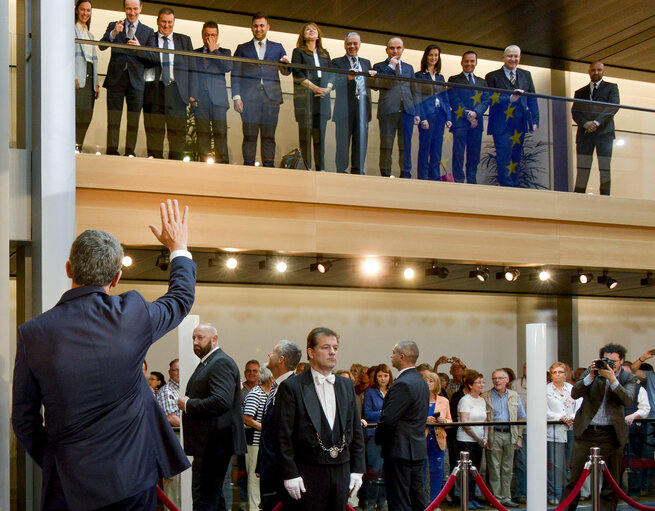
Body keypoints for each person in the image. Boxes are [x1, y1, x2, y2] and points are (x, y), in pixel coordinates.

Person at [12, 199, 195, 510]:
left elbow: (24, 420)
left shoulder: (33, 333)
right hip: (133, 480)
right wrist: (178, 247)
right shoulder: (134, 314)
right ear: (116, 278)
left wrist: (58, 461)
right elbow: (180, 298)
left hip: (67, 486)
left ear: (69, 269)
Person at [274, 327, 365, 511]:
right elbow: (282, 435)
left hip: (342, 470)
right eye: (326, 347)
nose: (332, 352)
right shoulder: (292, 387)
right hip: (307, 472)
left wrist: (358, 469)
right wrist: (290, 473)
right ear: (311, 352)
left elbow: (355, 429)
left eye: (335, 347)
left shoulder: (346, 384)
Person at [178, 323, 247, 511]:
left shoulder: (220, 362)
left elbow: (220, 401)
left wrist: (188, 404)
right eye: (194, 338)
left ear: (215, 339)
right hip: (210, 444)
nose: (195, 342)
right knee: (214, 500)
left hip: (213, 444)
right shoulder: (210, 362)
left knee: (204, 500)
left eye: (200, 338)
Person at [562, 343, 638, 511]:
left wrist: (613, 380)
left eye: (614, 361)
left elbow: (627, 400)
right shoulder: (592, 373)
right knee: (574, 479)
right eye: (606, 360)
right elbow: (575, 393)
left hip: (612, 434)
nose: (610, 364)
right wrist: (590, 376)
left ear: (621, 361)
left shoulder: (627, 378)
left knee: (611, 483)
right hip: (587, 433)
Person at [375, 341, 429, 511]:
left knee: (399, 499)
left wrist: (379, 438)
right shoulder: (420, 380)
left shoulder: (403, 383)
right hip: (416, 448)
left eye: (393, 352)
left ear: (402, 356)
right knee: (416, 497)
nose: (391, 356)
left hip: (400, 450)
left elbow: (389, 419)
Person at [232, 12, 291, 167]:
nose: (258, 29)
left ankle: (268, 170)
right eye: (255, 26)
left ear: (267, 27)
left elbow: (286, 71)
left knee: (269, 137)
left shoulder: (278, 48)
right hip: (248, 99)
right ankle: (249, 168)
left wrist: (287, 63)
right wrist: (236, 96)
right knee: (249, 136)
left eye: (261, 26)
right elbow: (235, 73)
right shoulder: (242, 48)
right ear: (251, 28)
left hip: (271, 98)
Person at [99, 0, 156, 156]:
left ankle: (130, 152)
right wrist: (114, 33)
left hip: (136, 81)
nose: (132, 12)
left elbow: (153, 56)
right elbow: (101, 45)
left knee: (133, 120)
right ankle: (111, 150)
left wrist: (139, 48)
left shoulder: (148, 31)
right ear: (124, 9)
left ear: (141, 9)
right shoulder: (114, 25)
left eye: (135, 9)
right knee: (113, 118)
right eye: (129, 9)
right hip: (116, 78)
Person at [485, 45, 539, 187]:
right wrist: (509, 98)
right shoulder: (492, 76)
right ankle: (506, 188)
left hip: (519, 124)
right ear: (503, 57)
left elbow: (532, 98)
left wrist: (534, 121)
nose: (513, 59)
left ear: (520, 58)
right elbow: (490, 98)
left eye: (516, 56)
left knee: (516, 158)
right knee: (503, 158)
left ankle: (514, 188)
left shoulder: (526, 75)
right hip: (501, 125)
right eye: (510, 56)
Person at [143, 7, 193, 160]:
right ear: (157, 22)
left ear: (174, 22)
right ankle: (153, 173)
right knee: (154, 135)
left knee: (177, 136)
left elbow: (192, 69)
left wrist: (192, 93)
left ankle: (175, 172)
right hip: (154, 90)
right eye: (163, 22)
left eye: (170, 22)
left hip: (177, 92)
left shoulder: (184, 40)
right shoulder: (148, 38)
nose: (166, 25)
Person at [258, 340, 303, 511]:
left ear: (281, 359)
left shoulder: (294, 387)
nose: (269, 355)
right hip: (269, 465)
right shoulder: (276, 385)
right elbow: (269, 429)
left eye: (273, 352)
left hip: (282, 469)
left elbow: (289, 432)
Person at [373, 37, 420, 178]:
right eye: (392, 48)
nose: (395, 51)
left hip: (407, 110)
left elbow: (414, 90)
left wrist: (416, 111)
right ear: (386, 50)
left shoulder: (409, 67)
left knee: (405, 146)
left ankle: (406, 175)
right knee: (386, 146)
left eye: (398, 48)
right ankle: (386, 175)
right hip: (388, 110)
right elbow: (377, 84)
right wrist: (391, 67)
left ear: (403, 49)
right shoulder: (380, 66)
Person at [572, 61, 620, 195]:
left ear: (603, 72)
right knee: (582, 167)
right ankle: (578, 196)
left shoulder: (611, 88)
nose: (596, 72)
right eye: (593, 70)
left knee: (604, 168)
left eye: (599, 70)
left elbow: (613, 106)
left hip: (604, 134)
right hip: (584, 134)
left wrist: (596, 123)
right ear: (589, 72)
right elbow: (575, 112)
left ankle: (605, 197)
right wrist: (586, 124)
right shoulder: (580, 92)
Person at [331, 32, 376, 175]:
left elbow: (371, 85)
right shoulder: (337, 62)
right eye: (349, 44)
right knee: (342, 144)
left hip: (362, 107)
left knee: (360, 143)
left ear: (360, 44)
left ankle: (358, 172)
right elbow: (333, 83)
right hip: (344, 108)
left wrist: (373, 77)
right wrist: (347, 77)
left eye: (355, 43)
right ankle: (341, 172)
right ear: (345, 45)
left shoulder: (366, 62)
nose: (352, 46)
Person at [291, 22, 333, 171]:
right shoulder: (298, 52)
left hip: (322, 99)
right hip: (305, 99)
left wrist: (326, 90)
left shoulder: (325, 54)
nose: (311, 31)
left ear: (318, 34)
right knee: (305, 137)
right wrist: (316, 88)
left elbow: (331, 74)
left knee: (320, 137)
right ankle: (307, 169)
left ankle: (320, 169)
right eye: (307, 29)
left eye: (314, 29)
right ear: (303, 35)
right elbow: (297, 73)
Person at [481, 368, 525, 508]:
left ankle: (506, 497)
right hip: (494, 433)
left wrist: (519, 436)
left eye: (500, 378)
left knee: (507, 468)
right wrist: (486, 437)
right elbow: (483, 420)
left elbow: (519, 417)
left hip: (510, 433)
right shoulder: (485, 396)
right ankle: (496, 498)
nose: (497, 381)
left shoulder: (514, 395)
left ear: (507, 380)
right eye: (494, 378)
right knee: (494, 466)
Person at [190, 21, 233, 164]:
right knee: (203, 134)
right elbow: (191, 75)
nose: (209, 38)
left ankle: (223, 165)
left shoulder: (225, 52)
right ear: (202, 36)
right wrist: (192, 95)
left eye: (213, 35)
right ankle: (204, 165)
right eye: (207, 35)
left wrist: (215, 51)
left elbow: (228, 67)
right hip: (200, 99)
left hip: (218, 99)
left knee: (220, 133)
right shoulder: (195, 53)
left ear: (217, 35)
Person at [447, 50, 489, 184]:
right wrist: (468, 114)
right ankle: (459, 181)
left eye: (472, 61)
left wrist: (476, 113)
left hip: (477, 123)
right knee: (458, 154)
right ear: (461, 62)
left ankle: (472, 181)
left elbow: (486, 100)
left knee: (474, 155)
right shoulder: (454, 79)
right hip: (460, 122)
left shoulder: (482, 82)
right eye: (466, 61)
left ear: (476, 63)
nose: (469, 64)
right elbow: (454, 99)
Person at [414, 44, 452, 181]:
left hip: (440, 115)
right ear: (426, 57)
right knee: (425, 150)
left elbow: (445, 99)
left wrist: (448, 116)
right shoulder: (419, 76)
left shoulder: (440, 78)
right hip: (427, 116)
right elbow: (418, 98)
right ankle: (423, 179)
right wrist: (422, 117)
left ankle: (434, 179)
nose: (433, 58)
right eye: (431, 55)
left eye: (436, 55)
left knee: (437, 150)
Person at [362, 364, 394, 511]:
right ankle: (370, 503)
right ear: (376, 377)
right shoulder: (370, 392)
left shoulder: (393, 391)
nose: (383, 379)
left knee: (386, 471)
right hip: (373, 435)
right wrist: (386, 412)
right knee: (374, 470)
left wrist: (382, 412)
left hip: (391, 435)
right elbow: (368, 414)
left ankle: (382, 503)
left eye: (385, 376)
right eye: (380, 376)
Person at [243, 366, 274, 511]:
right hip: (255, 442)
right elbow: (247, 418)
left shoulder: (272, 393)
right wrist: (266, 428)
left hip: (267, 443)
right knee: (254, 479)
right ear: (270, 378)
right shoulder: (255, 393)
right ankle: (254, 508)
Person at [546, 362, 576, 505]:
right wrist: (560, 417)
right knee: (556, 465)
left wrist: (572, 417)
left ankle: (568, 494)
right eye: (554, 372)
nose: (557, 375)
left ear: (566, 374)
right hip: (555, 430)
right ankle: (554, 493)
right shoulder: (545, 390)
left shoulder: (572, 388)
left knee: (570, 463)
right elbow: (543, 410)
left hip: (571, 429)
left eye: (560, 372)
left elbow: (580, 406)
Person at [456, 370, 487, 510]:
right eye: (478, 382)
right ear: (470, 384)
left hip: (479, 440)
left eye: (482, 382)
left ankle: (474, 497)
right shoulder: (465, 400)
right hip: (466, 440)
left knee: (476, 471)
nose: (481, 385)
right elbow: (465, 424)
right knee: (467, 472)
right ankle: (467, 499)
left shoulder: (481, 400)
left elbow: (485, 421)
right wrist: (478, 438)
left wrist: (485, 437)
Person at [621, 361, 651, 498]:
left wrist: (632, 416)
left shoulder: (639, 389)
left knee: (634, 462)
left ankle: (634, 491)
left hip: (634, 431)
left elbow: (645, 408)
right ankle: (616, 491)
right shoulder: (611, 387)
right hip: (615, 431)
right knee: (616, 463)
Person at [423, 371, 452, 505]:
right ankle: (421, 503)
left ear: (436, 384)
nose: (428, 384)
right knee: (421, 473)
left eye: (431, 381)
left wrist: (443, 421)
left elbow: (450, 421)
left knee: (437, 473)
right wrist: (425, 420)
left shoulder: (444, 401)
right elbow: (411, 420)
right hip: (422, 439)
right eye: (425, 381)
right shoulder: (418, 399)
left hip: (438, 439)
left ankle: (435, 503)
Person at [74, 0, 99, 153]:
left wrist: (96, 82)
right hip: (78, 78)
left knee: (86, 116)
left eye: (88, 10)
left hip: (90, 79)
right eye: (82, 9)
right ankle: (72, 147)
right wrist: (72, 76)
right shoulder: (71, 30)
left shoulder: (90, 35)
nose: (85, 13)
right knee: (75, 116)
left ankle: (79, 148)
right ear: (77, 10)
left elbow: (93, 61)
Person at [509, 362, 527, 504]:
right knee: (522, 463)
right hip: (523, 428)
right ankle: (521, 492)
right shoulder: (515, 384)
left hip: (543, 429)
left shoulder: (545, 384)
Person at [157, 358, 181, 427]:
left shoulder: (185, 388)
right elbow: (172, 418)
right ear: (170, 373)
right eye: (176, 370)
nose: (179, 373)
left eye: (181, 369)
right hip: (177, 434)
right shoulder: (166, 391)